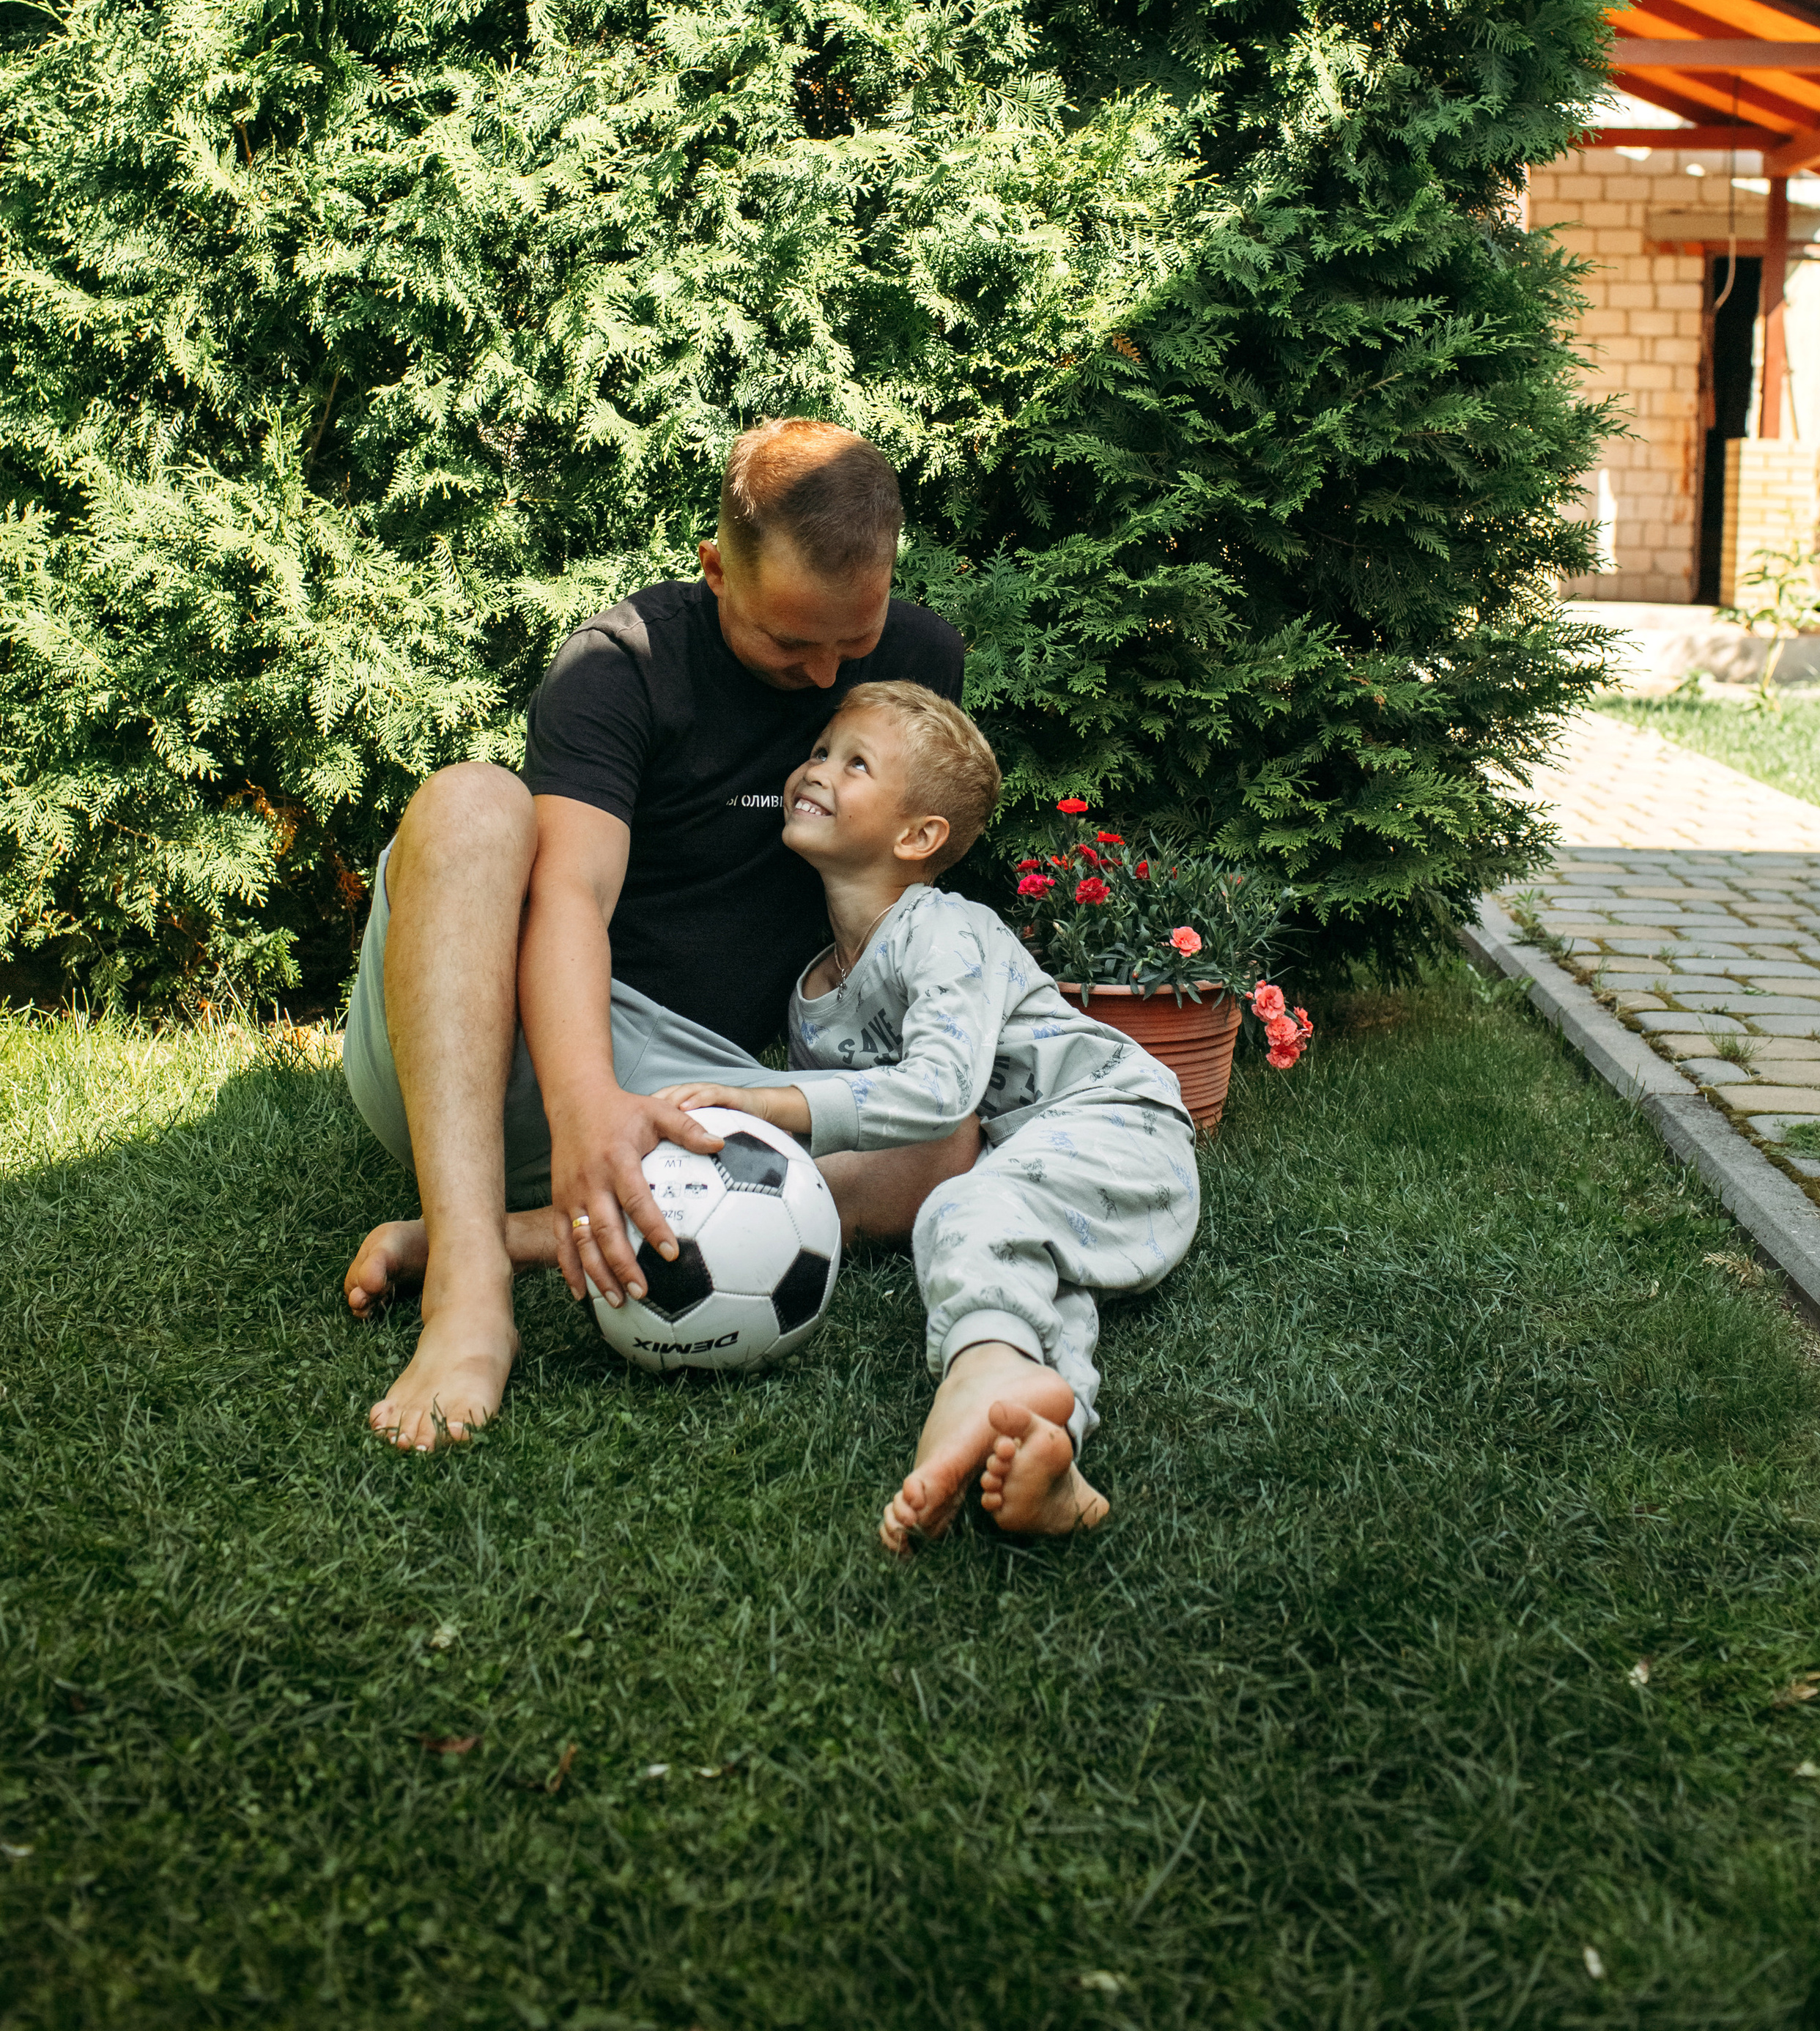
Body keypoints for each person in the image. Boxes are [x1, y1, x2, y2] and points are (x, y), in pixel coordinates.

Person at [339, 420, 974, 1451]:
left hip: (677, 1087)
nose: (824, 678)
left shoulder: (922, 657)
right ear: (716, 569)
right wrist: (583, 1101)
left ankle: (504, 1235)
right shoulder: (618, 666)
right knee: (470, 802)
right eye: (788, 642)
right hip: (486, 1044)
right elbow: (570, 901)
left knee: (944, 1141)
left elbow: (904, 883)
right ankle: (466, 1287)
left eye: (850, 644)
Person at [667, 681, 1202, 1545]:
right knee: (1022, 1263)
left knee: (966, 1210)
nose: (815, 770)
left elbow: (939, 1091)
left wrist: (767, 1102)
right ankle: (1047, 1446)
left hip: (1115, 1118)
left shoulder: (948, 930)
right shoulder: (812, 993)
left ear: (918, 838)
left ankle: (965, 1391)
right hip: (1019, 1166)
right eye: (819, 751)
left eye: (855, 763)